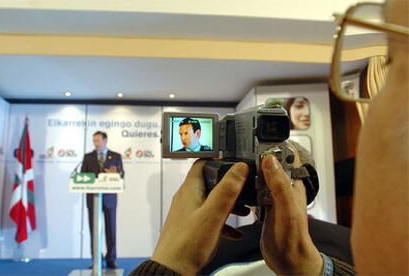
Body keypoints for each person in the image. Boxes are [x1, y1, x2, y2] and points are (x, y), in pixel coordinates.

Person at [131, 0, 408, 274]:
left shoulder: (215, 258)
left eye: (391, 62)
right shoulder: (348, 246)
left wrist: (168, 264)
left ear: (308, 186)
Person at [81, 131, 124, 269]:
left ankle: (111, 259)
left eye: (98, 140)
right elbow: (83, 176)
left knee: (111, 229)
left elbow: (121, 175)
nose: (96, 143)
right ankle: (96, 259)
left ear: (105, 141)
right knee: (94, 229)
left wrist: (115, 173)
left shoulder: (116, 156)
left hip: (109, 199)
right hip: (93, 198)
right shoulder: (88, 157)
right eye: (94, 141)